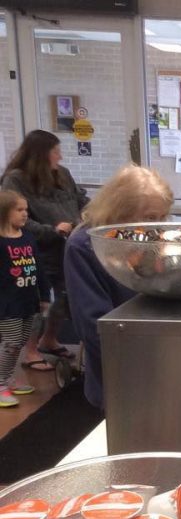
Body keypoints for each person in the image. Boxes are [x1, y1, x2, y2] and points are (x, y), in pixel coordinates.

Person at [65, 166, 173, 409]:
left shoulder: (146, 239)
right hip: (120, 372)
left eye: (163, 217)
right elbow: (93, 325)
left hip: (162, 363)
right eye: (150, 217)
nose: (157, 227)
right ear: (121, 212)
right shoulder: (84, 246)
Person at [1, 129, 88, 369]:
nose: (59, 157)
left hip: (68, 246)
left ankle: (48, 340)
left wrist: (88, 216)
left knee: (65, 297)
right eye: (55, 152)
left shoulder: (63, 174)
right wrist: (51, 229)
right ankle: (29, 352)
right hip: (37, 250)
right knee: (39, 301)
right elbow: (17, 216)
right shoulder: (16, 179)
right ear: (40, 154)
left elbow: (81, 199)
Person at [0, 191, 49, 407]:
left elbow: (39, 269)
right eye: (19, 210)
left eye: (26, 210)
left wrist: (45, 295)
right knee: (10, 342)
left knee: (20, 341)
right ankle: (0, 382)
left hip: (28, 300)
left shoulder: (28, 238)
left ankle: (7, 377)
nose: (25, 214)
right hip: (8, 304)